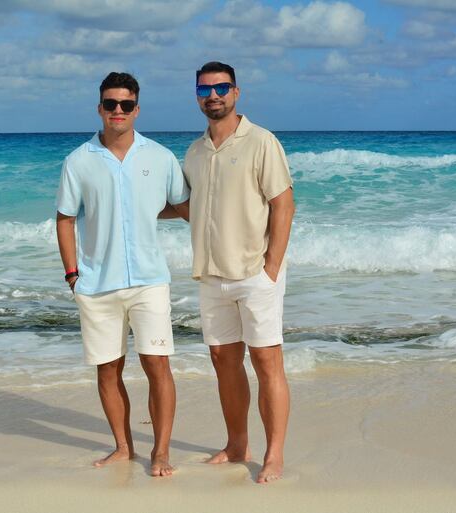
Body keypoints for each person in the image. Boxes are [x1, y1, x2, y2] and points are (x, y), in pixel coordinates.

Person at [55, 72, 190, 477]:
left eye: (126, 104)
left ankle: (161, 452)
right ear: (99, 108)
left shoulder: (160, 156)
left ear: (136, 109)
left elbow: (183, 207)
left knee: (157, 365)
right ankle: (122, 447)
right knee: (108, 369)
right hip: (97, 284)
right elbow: (64, 219)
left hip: (150, 280)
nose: (118, 111)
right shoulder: (78, 160)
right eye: (111, 104)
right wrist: (73, 275)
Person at [181, 61, 295, 484]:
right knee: (223, 361)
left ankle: (274, 455)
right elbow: (187, 207)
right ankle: (236, 445)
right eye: (205, 89)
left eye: (221, 87)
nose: (213, 95)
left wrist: (271, 267)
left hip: (254, 273)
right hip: (211, 275)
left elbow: (284, 204)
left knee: (267, 362)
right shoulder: (194, 151)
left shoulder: (261, 141)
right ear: (196, 95)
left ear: (236, 92)